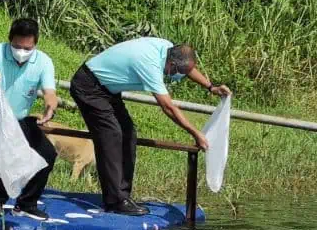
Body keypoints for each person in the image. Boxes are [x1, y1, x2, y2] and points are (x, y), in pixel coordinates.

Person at [69, 38, 231, 216]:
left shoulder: (169, 49)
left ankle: (123, 195)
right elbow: (168, 107)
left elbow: (188, 67)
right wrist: (195, 133)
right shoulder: (149, 64)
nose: (180, 76)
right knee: (112, 135)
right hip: (88, 87)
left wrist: (211, 87)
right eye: (178, 72)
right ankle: (115, 201)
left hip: (107, 90)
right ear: (170, 63)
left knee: (128, 133)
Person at [0, 18, 58, 221]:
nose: (21, 51)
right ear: (10, 41)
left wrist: (50, 106)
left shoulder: (43, 61)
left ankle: (27, 203)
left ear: (35, 44)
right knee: (5, 153)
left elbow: (50, 92)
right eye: (17, 46)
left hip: (20, 118)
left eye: (27, 47)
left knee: (47, 154)